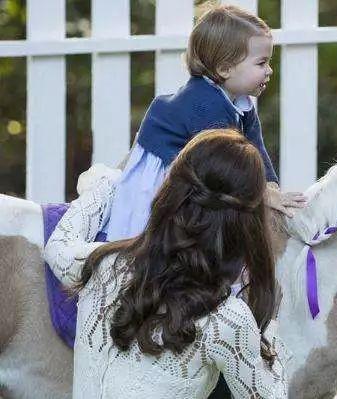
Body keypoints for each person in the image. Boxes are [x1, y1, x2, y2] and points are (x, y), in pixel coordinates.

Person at [44, 130, 290, 399]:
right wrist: (269, 327)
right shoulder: (226, 321)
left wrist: (111, 182)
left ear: (169, 191)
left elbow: (59, 245)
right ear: (247, 226)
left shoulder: (104, 266)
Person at [104, 4, 306, 243]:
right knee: (168, 234)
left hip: (198, 171)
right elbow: (221, 166)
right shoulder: (205, 104)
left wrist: (271, 188)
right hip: (167, 175)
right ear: (224, 68)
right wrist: (261, 195)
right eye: (261, 63)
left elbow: (256, 149)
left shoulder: (241, 102)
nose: (269, 70)